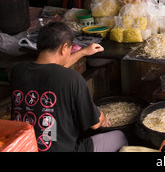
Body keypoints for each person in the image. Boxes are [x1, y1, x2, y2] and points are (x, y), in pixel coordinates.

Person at [9, 21, 128, 152]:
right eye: (70, 49)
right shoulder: (72, 78)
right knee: (119, 137)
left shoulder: (17, 72)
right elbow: (95, 124)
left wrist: (83, 52)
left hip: (23, 147)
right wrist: (103, 116)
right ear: (64, 47)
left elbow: (52, 69)